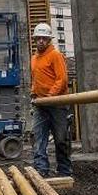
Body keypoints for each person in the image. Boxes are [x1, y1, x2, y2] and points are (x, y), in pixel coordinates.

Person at [29, 23, 71, 177]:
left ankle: (64, 170)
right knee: (39, 138)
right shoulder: (34, 58)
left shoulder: (55, 55)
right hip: (40, 105)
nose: (41, 41)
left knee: (61, 139)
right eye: (38, 38)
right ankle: (41, 170)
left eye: (44, 38)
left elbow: (62, 79)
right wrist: (33, 93)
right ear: (35, 40)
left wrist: (50, 96)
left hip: (57, 104)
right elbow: (35, 80)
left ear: (49, 40)